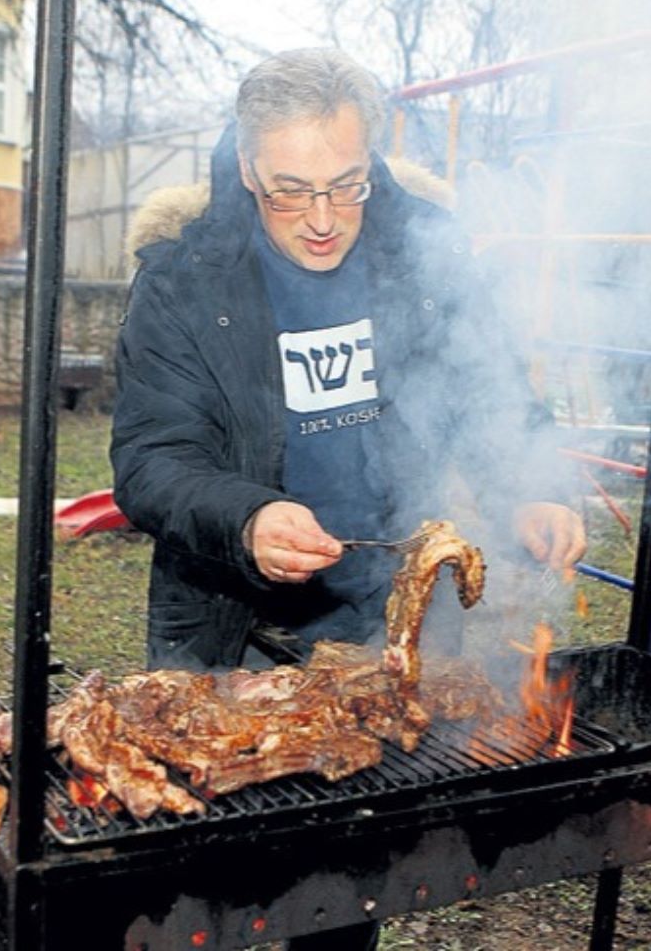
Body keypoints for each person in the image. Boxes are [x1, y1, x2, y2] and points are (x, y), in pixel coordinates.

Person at [110, 47, 585, 948]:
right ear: (249, 168)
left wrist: (525, 488)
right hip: (229, 621)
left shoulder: (426, 256)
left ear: (371, 159)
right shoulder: (183, 281)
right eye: (291, 190)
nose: (324, 220)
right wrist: (246, 517)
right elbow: (151, 461)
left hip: (382, 618)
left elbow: (490, 389)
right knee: (213, 881)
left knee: (345, 889)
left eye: (347, 185)